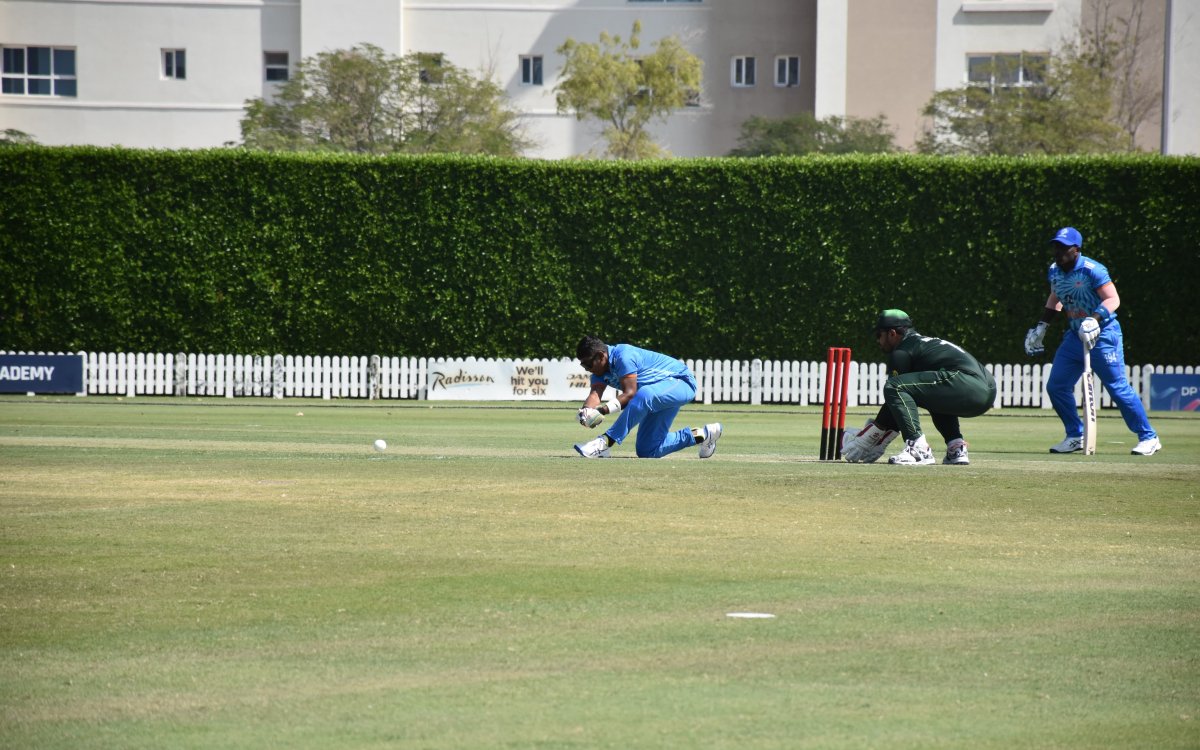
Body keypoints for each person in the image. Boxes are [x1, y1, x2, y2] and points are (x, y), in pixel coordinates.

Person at [1023, 227, 1161, 455]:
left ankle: (1149, 437)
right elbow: (1055, 297)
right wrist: (1043, 325)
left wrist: (1094, 319)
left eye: (1063, 247)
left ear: (1076, 249)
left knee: (1117, 388)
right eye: (1056, 247)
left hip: (1104, 334)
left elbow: (1113, 299)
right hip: (1074, 337)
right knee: (1056, 386)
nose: (1058, 252)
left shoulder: (1092, 269)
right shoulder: (1054, 271)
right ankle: (1075, 435)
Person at [842, 309, 997, 466]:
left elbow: (894, 395)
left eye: (879, 335)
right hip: (987, 390)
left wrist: (870, 435)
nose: (877, 340)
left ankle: (918, 448)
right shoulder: (922, 343)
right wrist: (879, 431)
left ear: (892, 333)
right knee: (933, 395)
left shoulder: (902, 351)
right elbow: (901, 402)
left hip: (965, 382)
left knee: (894, 386)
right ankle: (955, 447)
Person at [572, 335, 721, 459]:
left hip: (680, 383)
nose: (587, 369)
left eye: (588, 364)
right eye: (583, 366)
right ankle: (703, 435)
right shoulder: (599, 372)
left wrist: (602, 411)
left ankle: (604, 443)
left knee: (643, 394)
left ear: (600, 356)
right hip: (656, 395)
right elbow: (595, 394)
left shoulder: (623, 356)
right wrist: (586, 412)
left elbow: (630, 394)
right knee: (647, 450)